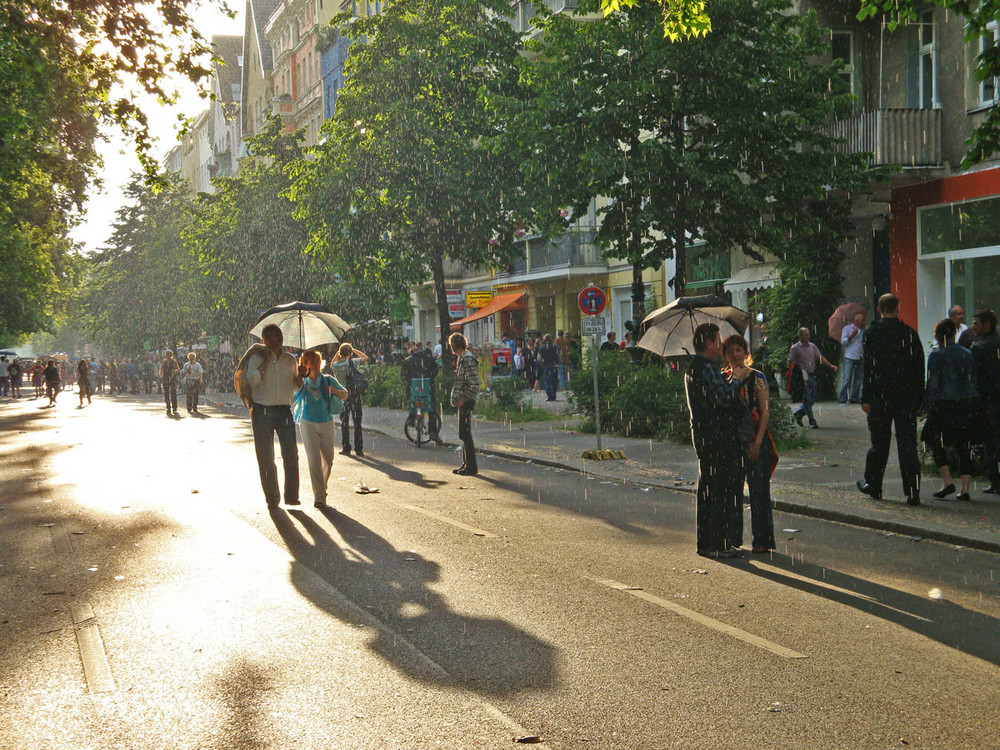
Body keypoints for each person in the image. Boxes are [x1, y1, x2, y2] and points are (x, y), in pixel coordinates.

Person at [685, 323, 750, 558]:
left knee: (708, 490)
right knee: (719, 491)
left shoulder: (692, 368)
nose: (720, 345)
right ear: (710, 343)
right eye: (718, 340)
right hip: (716, 437)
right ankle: (717, 544)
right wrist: (737, 380)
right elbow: (722, 399)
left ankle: (707, 543)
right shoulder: (707, 368)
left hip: (702, 434)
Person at [857, 293, 925, 505]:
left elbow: (868, 368)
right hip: (905, 398)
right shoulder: (910, 334)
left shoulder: (871, 334)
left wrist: (865, 396)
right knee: (907, 445)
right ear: (898, 307)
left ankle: (874, 485)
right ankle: (912, 491)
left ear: (879, 309)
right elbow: (918, 369)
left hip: (879, 397)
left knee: (879, 443)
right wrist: (919, 400)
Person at [723, 335, 777, 554]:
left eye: (739, 350)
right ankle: (733, 538)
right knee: (733, 491)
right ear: (725, 356)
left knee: (759, 491)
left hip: (757, 439)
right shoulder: (724, 379)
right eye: (731, 351)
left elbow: (764, 413)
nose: (736, 355)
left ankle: (762, 539)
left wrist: (757, 442)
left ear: (746, 352)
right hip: (733, 442)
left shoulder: (758, 378)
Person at [922, 319, 979, 502]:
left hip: (943, 404)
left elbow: (933, 384)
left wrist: (925, 405)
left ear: (938, 335)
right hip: (964, 403)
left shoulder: (936, 355)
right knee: (964, 444)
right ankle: (965, 488)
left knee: (933, 439)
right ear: (954, 333)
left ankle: (947, 481)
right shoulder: (967, 354)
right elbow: (972, 381)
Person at [246, 324, 302, 508]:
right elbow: (251, 381)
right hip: (262, 411)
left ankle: (291, 495)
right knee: (266, 456)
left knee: (291, 454)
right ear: (264, 340)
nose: (275, 339)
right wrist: (264, 364)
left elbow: (296, 387)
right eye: (270, 336)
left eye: (278, 335)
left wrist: (301, 376)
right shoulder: (256, 358)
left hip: (284, 411)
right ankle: (272, 498)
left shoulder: (290, 360)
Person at [294, 350, 348, 508]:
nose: (314, 365)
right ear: (305, 365)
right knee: (314, 461)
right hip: (307, 423)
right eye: (310, 362)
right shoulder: (302, 382)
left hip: (326, 423)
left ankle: (322, 486)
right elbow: (292, 392)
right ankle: (319, 496)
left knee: (328, 460)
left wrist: (333, 391)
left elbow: (345, 394)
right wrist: (298, 376)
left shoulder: (328, 379)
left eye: (316, 361)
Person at [970, 309, 1000, 493]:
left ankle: (996, 481)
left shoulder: (978, 346)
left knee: (991, 442)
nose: (973, 327)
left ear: (986, 324)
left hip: (987, 399)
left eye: (976, 323)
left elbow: (974, 376)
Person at [787, 327, 837, 428]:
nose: (807, 337)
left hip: (811, 374)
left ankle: (799, 414)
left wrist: (830, 365)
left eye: (808, 334)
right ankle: (812, 421)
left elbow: (820, 358)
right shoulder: (795, 348)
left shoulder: (812, 346)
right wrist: (795, 373)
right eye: (805, 335)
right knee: (807, 399)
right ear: (800, 336)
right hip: (802, 376)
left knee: (812, 399)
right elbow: (790, 362)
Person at [329, 342, 369, 457]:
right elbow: (365, 358)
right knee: (357, 423)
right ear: (350, 353)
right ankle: (359, 448)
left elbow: (332, 363)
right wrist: (354, 350)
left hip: (343, 396)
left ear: (340, 353)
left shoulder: (336, 366)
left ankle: (346, 447)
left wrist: (338, 353)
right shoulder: (352, 363)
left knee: (344, 422)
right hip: (355, 395)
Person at [450, 332, 480, 476]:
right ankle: (466, 463)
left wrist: (463, 398)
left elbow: (474, 384)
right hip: (463, 401)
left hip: (466, 401)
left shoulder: (467, 360)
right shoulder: (462, 358)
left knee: (465, 433)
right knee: (463, 433)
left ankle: (471, 466)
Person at [401, 342, 442, 442]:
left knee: (412, 403)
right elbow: (435, 371)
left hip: (413, 389)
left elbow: (403, 374)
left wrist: (410, 380)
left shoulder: (408, 360)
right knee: (431, 409)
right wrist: (430, 378)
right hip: (427, 388)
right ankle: (433, 433)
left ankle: (411, 419)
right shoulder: (429, 359)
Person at [839, 311, 866, 404]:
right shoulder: (847, 328)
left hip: (860, 356)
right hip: (850, 356)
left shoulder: (863, 330)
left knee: (858, 379)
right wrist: (851, 336)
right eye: (862, 320)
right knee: (847, 378)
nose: (863, 322)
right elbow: (843, 342)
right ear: (856, 320)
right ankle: (842, 398)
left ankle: (854, 398)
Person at [538, 333, 560, 401]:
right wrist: (557, 362)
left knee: (547, 381)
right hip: (554, 366)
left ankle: (549, 396)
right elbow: (559, 356)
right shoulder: (555, 346)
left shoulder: (542, 348)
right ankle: (554, 395)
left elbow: (539, 358)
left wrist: (543, 364)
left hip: (547, 366)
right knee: (554, 381)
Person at [158, 350, 181, 416]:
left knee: (173, 393)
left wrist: (174, 371)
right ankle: (168, 407)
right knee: (166, 393)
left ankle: (174, 407)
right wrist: (161, 375)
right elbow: (161, 369)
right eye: (167, 354)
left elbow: (178, 369)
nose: (168, 355)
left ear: (171, 355)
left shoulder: (174, 361)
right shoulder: (164, 361)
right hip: (165, 378)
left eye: (169, 354)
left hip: (172, 378)